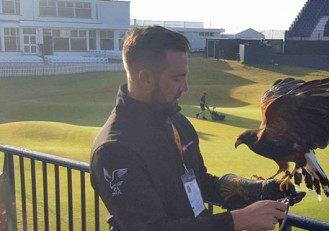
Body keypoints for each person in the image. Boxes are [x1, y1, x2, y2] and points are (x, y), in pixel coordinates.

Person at [90, 26, 304, 231]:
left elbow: (199, 181)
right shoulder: (114, 150)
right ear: (145, 78)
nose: (185, 87)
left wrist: (259, 189)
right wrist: (238, 220)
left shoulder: (176, 121)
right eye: (177, 78)